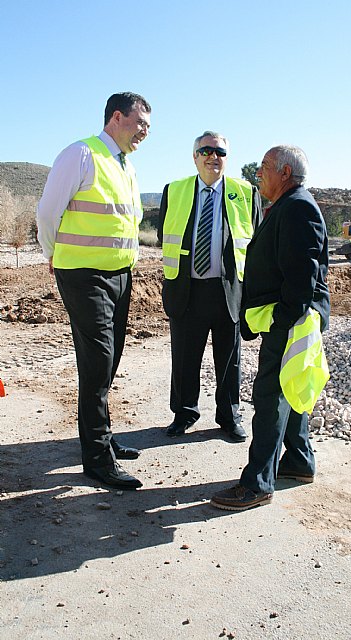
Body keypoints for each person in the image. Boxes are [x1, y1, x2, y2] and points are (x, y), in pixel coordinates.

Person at [37, 92, 151, 489]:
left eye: (148, 127)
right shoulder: (81, 154)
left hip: (119, 275)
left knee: (110, 357)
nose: (144, 132)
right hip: (83, 275)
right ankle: (97, 459)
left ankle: (101, 438)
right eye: (140, 123)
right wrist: (52, 253)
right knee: (98, 360)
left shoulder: (127, 167)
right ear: (116, 117)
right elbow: (48, 212)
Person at [211, 144, 330, 511]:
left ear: (285, 173)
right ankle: (298, 461)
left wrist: (282, 320)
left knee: (269, 396)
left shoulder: (298, 208)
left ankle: (258, 483)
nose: (258, 174)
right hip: (290, 317)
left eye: (264, 167)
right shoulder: (288, 205)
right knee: (291, 387)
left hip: (291, 320)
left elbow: (302, 276)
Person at [158, 131, 262, 442]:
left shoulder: (245, 193)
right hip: (187, 289)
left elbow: (254, 247)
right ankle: (184, 412)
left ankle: (229, 415)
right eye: (205, 150)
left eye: (220, 152)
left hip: (228, 290)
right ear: (195, 157)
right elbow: (166, 237)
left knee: (229, 359)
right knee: (185, 357)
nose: (212, 156)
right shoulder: (174, 191)